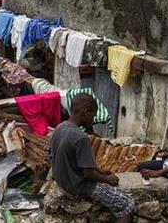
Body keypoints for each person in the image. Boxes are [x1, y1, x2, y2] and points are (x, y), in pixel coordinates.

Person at [50, 93, 134, 223]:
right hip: (77, 187)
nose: (93, 119)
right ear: (86, 112)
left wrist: (99, 170)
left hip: (62, 182)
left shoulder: (60, 127)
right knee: (127, 205)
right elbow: (88, 173)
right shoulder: (80, 137)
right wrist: (107, 179)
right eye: (93, 115)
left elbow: (76, 163)